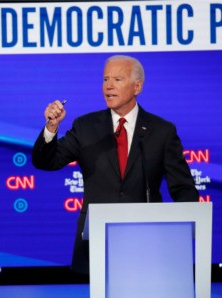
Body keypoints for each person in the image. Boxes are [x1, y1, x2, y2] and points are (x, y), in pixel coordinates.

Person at [32, 55, 199, 274]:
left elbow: (183, 187)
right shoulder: (86, 126)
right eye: (105, 79)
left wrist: (183, 231)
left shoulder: (162, 131)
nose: (108, 86)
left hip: (149, 240)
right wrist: (51, 128)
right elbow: (46, 162)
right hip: (97, 239)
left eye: (118, 79)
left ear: (137, 86)